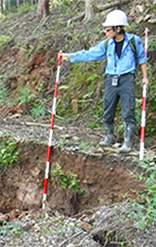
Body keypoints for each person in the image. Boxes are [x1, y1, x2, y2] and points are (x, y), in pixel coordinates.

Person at [62, 9, 148, 153]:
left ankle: (127, 143)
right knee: (108, 110)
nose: (105, 32)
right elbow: (90, 54)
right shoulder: (107, 44)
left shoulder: (134, 41)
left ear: (118, 28)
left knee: (128, 111)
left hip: (127, 80)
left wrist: (145, 77)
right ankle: (109, 136)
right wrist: (70, 56)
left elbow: (142, 59)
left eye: (108, 29)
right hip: (111, 80)